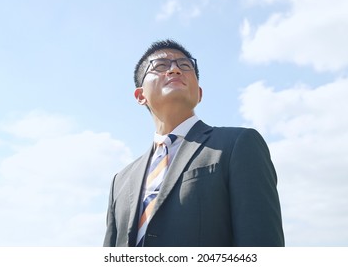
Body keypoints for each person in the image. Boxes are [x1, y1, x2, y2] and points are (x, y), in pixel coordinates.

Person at [103, 39, 284, 247]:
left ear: (199, 93)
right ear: (140, 95)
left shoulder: (238, 145)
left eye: (185, 65)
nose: (175, 70)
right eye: (161, 66)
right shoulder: (121, 181)